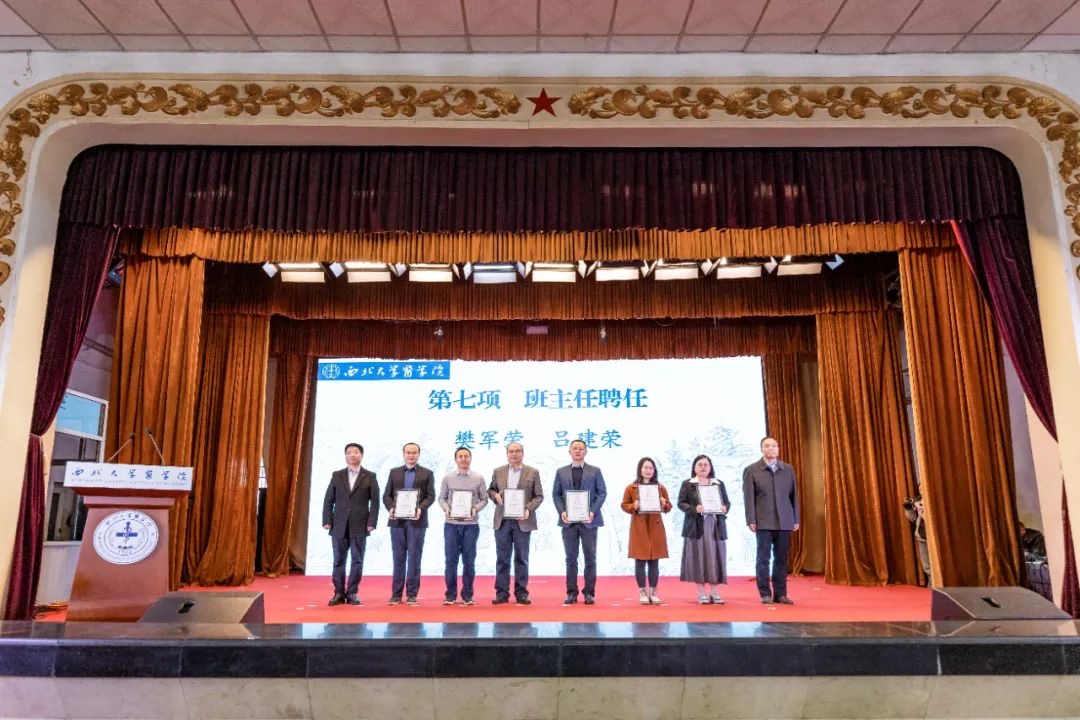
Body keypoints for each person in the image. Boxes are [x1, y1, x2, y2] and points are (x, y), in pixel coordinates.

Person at [743, 436, 800, 605]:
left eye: (774, 445)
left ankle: (780, 594)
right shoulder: (752, 470)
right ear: (761, 449)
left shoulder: (788, 469)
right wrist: (751, 519)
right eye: (767, 446)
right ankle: (765, 594)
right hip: (763, 521)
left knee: (781, 558)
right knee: (763, 558)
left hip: (784, 520)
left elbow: (794, 496)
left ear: (778, 449)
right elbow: (748, 497)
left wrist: (795, 518)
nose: (771, 448)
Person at [321, 442, 380, 606]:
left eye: (356, 452)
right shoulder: (337, 475)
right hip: (339, 524)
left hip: (360, 524)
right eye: (349, 452)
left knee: (357, 560)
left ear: (361, 455)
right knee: (338, 560)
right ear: (345, 456)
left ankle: (352, 592)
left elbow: (375, 502)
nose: (353, 455)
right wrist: (327, 520)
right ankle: (338, 592)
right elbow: (328, 500)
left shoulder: (370, 476)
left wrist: (372, 521)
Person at [552, 439, 607, 605]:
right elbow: (556, 494)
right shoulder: (561, 472)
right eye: (574, 448)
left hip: (589, 521)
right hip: (568, 522)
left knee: (590, 558)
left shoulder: (595, 471)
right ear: (569, 451)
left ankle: (589, 593)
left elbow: (602, 492)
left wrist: (592, 511)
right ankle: (571, 593)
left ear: (585, 452)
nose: (577, 451)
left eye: (581, 448)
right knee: (570, 558)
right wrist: (562, 511)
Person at [488, 442, 545, 605]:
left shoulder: (533, 472)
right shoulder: (498, 471)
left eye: (517, 451)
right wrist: (495, 496)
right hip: (503, 521)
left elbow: (539, 496)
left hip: (523, 521)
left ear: (523, 453)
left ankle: (521, 593)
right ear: (507, 454)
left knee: (522, 558)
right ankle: (501, 593)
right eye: (511, 451)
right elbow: (491, 490)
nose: (514, 454)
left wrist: (527, 509)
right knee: (502, 559)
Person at [383, 442, 436, 605]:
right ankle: (396, 595)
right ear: (403, 454)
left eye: (414, 452)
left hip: (417, 521)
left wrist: (420, 508)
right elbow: (386, 495)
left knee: (414, 558)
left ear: (419, 454)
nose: (411, 455)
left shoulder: (427, 473)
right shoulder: (394, 472)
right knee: (398, 558)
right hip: (397, 522)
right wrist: (391, 508)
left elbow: (431, 496)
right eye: (408, 452)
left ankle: (412, 594)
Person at [438, 446, 488, 605]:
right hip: (451, 525)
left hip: (471, 525)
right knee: (450, 561)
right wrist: (446, 509)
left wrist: (475, 509)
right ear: (455, 459)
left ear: (470, 458)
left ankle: (467, 595)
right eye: (460, 456)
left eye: (466, 456)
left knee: (469, 561)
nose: (463, 459)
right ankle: (450, 595)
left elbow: (484, 499)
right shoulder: (448, 478)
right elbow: (441, 498)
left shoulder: (478, 478)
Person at [678, 454, 730, 604]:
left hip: (715, 526)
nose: (703, 467)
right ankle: (701, 593)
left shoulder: (718, 484)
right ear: (694, 467)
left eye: (706, 464)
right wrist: (694, 509)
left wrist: (724, 508)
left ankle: (714, 592)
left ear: (710, 467)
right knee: (698, 558)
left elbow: (727, 503)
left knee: (715, 557)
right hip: (696, 526)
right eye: (699, 464)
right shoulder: (688, 484)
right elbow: (681, 503)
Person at [620, 456, 672, 604]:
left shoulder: (660, 488)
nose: (648, 470)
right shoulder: (631, 488)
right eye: (645, 467)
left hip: (655, 527)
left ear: (654, 470)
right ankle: (642, 591)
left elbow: (668, 507)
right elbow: (624, 505)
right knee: (640, 561)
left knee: (654, 561)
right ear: (640, 469)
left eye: (651, 468)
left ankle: (653, 592)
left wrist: (664, 504)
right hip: (639, 526)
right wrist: (633, 506)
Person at [904, 494, 931, 584]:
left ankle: (934, 587)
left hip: (933, 538)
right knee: (926, 567)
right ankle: (932, 586)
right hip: (922, 538)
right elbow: (913, 518)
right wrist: (908, 508)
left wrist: (922, 508)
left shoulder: (932, 498)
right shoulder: (918, 499)